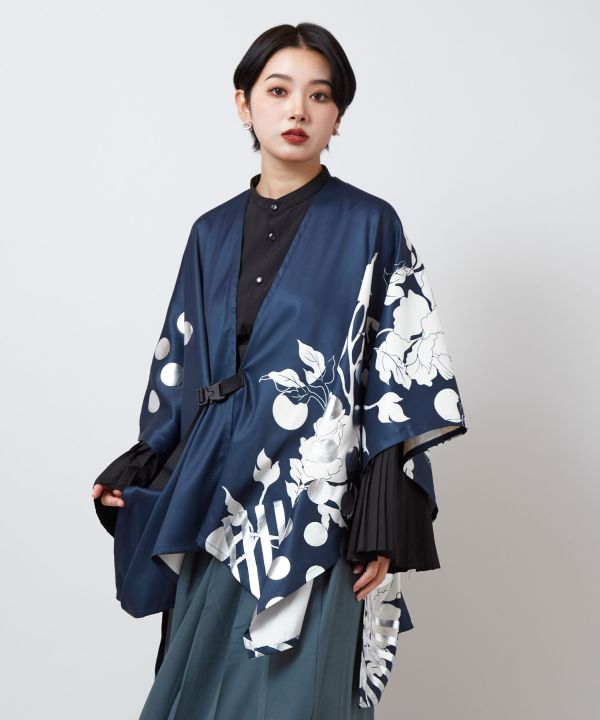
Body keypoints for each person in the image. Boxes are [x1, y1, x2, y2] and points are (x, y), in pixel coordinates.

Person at [92, 22, 468, 719]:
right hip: (213, 491)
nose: (298, 109)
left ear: (337, 116)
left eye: (319, 95)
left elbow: (396, 377)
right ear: (244, 104)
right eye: (278, 90)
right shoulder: (209, 232)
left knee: (301, 693)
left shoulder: (370, 225)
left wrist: (382, 519)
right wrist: (142, 467)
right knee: (200, 690)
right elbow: (179, 368)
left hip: (313, 502)